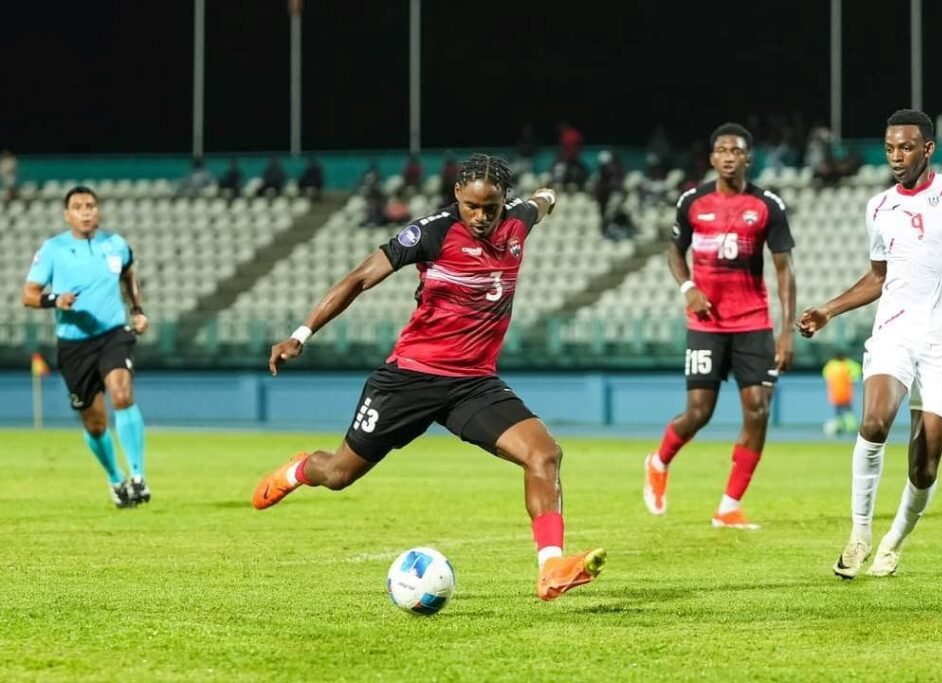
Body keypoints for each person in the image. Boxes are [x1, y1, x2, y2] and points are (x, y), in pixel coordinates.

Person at [251, 154, 605, 601]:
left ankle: (551, 567)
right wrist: (301, 334)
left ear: (503, 202)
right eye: (471, 206)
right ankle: (302, 469)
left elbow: (539, 204)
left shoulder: (517, 222)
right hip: (410, 379)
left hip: (474, 384)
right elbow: (360, 279)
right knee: (339, 474)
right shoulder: (431, 232)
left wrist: (549, 195)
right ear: (457, 194)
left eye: (490, 208)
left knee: (545, 455)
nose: (480, 217)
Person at [798, 109, 942, 579]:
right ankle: (859, 535)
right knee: (873, 421)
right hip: (894, 329)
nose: (896, 156)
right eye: (890, 148)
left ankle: (893, 540)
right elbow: (878, 278)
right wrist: (828, 309)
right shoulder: (878, 207)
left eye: (906, 147)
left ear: (927, 149)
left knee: (924, 465)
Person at [642, 123, 797, 529]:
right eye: (722, 149)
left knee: (758, 410)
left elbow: (784, 270)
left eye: (737, 150)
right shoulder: (692, 202)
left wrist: (786, 330)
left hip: (753, 323)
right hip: (706, 323)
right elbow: (674, 252)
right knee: (699, 413)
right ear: (712, 158)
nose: (729, 156)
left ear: (748, 158)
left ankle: (728, 506)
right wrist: (688, 286)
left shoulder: (767, 205)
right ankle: (659, 462)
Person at [22, 186, 151, 508]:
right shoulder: (53, 249)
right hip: (74, 344)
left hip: (112, 334)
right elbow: (29, 294)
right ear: (67, 214)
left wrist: (137, 309)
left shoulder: (116, 244)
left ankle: (138, 477)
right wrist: (56, 300)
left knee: (122, 393)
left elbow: (129, 273)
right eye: (78, 206)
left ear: (99, 210)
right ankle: (114, 478)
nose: (86, 211)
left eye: (91, 205)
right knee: (95, 424)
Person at [822, 352, 861, 437]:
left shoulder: (831, 365)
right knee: (848, 412)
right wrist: (853, 379)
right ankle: (851, 428)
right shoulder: (848, 364)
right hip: (846, 393)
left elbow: (826, 376)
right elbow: (856, 373)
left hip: (835, 394)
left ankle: (840, 428)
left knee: (838, 412)